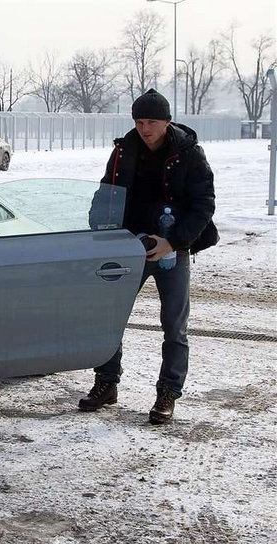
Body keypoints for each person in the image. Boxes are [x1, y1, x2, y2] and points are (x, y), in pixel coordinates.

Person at [80, 88, 218, 424]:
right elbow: (106, 192)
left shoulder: (189, 153)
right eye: (139, 121)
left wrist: (173, 241)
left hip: (173, 247)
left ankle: (168, 393)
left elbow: (204, 205)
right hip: (130, 247)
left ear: (167, 122)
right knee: (109, 318)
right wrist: (101, 228)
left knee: (174, 325)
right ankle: (106, 383)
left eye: (151, 122)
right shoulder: (124, 150)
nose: (144, 128)